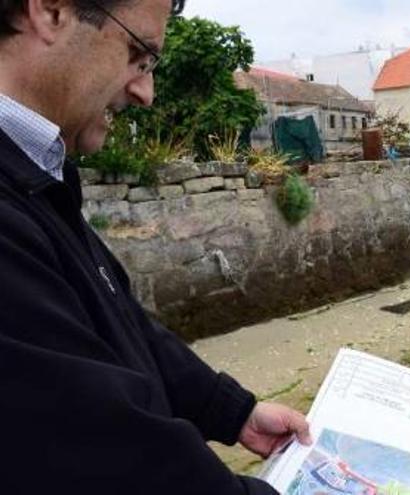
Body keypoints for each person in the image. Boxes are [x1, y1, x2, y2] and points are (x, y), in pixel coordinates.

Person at [0, 1, 310, 493]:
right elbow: (108, 452)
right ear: (51, 11)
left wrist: (231, 411)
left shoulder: (37, 172)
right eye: (138, 55)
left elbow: (119, 319)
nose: (146, 93)